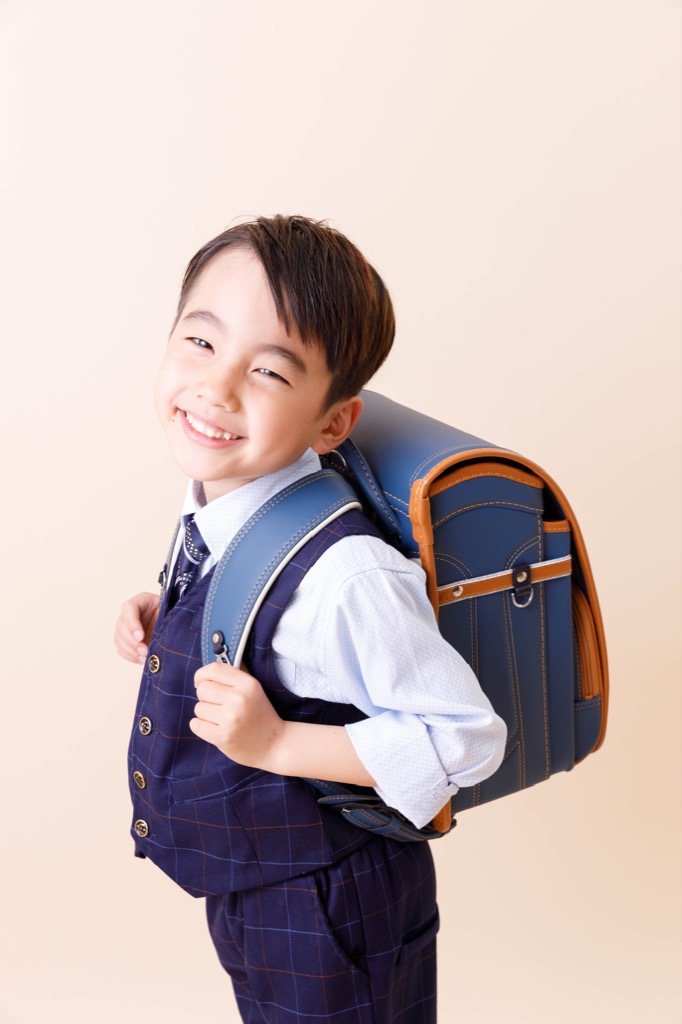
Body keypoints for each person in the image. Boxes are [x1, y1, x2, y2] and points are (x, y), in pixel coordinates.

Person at [114, 214, 506, 1023]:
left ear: (332, 424)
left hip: (332, 902)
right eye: (201, 341)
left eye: (268, 371)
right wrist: (173, 609)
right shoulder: (228, 497)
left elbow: (467, 738)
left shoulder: (346, 576)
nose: (217, 388)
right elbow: (251, 604)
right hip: (260, 883)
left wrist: (276, 744)